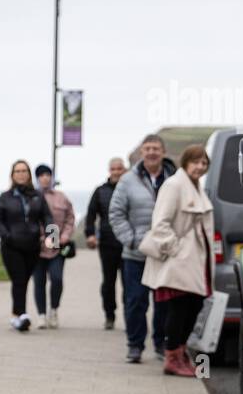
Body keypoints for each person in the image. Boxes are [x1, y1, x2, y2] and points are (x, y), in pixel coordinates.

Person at [139, 144, 214, 376]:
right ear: (185, 162)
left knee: (194, 305)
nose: (200, 167)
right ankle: (172, 356)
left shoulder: (195, 186)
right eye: (196, 162)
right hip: (181, 258)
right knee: (180, 307)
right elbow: (160, 223)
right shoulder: (174, 185)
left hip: (196, 258)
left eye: (203, 163)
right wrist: (177, 250)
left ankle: (180, 354)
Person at [108, 134, 177, 363]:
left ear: (163, 152)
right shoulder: (128, 180)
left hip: (166, 254)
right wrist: (131, 240)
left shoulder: (175, 179)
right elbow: (116, 213)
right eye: (147, 148)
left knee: (164, 302)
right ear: (141, 153)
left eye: (156, 148)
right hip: (135, 254)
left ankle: (160, 344)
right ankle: (135, 346)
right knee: (136, 301)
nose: (151, 152)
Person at [0, 160, 52, 332]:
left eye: (24, 170)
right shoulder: (5, 197)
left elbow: (48, 218)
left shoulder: (37, 196)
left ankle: (15, 316)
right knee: (19, 279)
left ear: (29, 174)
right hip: (11, 246)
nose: (21, 174)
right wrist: (6, 235)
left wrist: (52, 239)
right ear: (12, 175)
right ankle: (23, 315)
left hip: (32, 246)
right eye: (17, 171)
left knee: (23, 281)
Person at [84, 156, 128, 330]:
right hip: (107, 244)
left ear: (124, 170)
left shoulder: (130, 189)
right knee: (108, 282)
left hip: (127, 243)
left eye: (119, 169)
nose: (116, 172)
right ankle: (109, 315)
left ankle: (129, 316)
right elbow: (90, 215)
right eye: (113, 169)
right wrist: (90, 235)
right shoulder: (100, 191)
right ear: (109, 171)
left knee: (129, 283)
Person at [31, 163, 74, 329]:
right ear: (37, 178)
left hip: (57, 246)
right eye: (41, 175)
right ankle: (41, 315)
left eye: (48, 174)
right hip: (37, 247)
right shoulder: (33, 197)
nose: (45, 178)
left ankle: (54, 310)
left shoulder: (61, 197)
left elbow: (70, 218)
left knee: (57, 279)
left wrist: (64, 236)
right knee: (39, 282)